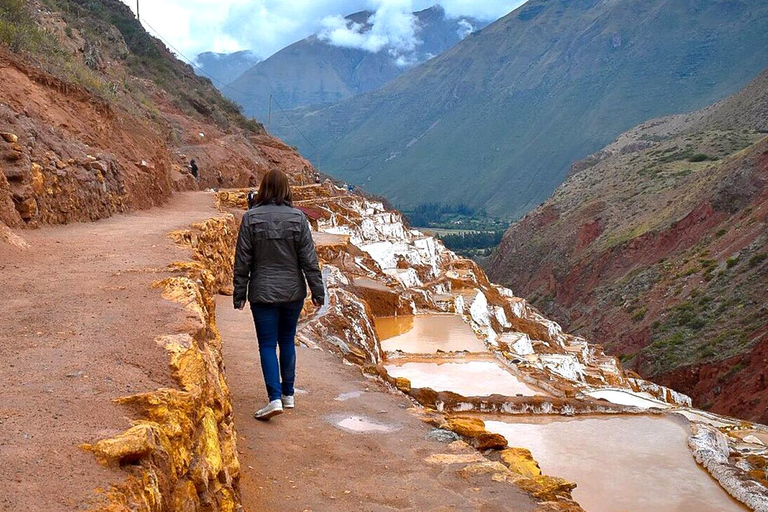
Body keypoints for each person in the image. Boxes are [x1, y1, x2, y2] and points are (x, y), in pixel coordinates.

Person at [233, 170, 324, 420]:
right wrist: (318, 291)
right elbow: (309, 260)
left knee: (266, 345)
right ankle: (288, 394)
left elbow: (243, 260)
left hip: (262, 293)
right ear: (286, 189)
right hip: (293, 292)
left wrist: (239, 294)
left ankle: (274, 399)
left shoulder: (250, 218)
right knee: (287, 341)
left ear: (263, 188)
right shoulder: (298, 218)